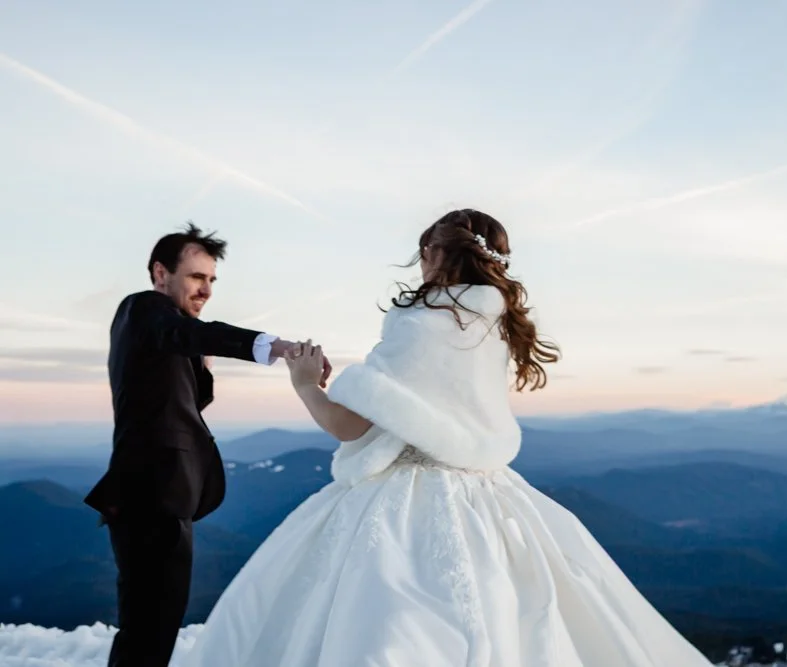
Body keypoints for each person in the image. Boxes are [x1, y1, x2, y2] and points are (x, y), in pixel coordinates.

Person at [179, 209, 714, 666]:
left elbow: (353, 423)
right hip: (490, 493)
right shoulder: (494, 325)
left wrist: (304, 384)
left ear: (441, 253)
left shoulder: (421, 322)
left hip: (404, 496)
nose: (420, 261)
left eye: (424, 249)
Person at [83, 222, 331, 667]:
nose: (207, 290)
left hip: (162, 496)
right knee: (150, 627)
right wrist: (275, 347)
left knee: (152, 625)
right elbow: (188, 334)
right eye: (197, 277)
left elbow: (179, 402)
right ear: (161, 273)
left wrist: (203, 362)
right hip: (150, 497)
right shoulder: (144, 310)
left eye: (212, 280)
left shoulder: (167, 331)